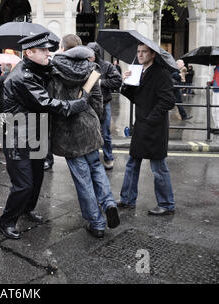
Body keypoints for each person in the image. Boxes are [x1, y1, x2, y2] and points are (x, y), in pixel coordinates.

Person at [0, 32, 93, 239]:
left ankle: (27, 209)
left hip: (36, 132)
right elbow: (46, 103)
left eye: (48, 49)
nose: (48, 53)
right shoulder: (21, 77)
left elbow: (67, 69)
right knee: (23, 184)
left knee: (37, 177)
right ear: (29, 52)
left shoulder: (40, 68)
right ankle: (6, 222)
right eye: (43, 50)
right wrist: (77, 104)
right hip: (18, 136)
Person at [48, 36, 120, 238]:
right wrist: (93, 119)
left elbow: (50, 101)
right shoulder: (91, 69)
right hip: (88, 126)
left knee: (82, 179)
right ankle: (108, 203)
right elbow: (97, 100)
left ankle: (96, 223)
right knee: (96, 168)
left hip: (67, 131)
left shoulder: (54, 70)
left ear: (62, 48)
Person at [119, 43, 176, 216]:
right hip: (141, 125)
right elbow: (136, 97)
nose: (140, 54)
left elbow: (168, 101)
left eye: (144, 52)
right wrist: (126, 83)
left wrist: (151, 119)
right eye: (138, 51)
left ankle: (166, 204)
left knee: (158, 167)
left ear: (152, 54)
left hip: (154, 127)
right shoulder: (139, 71)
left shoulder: (161, 73)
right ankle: (128, 199)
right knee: (132, 163)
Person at [87, 42, 123, 170]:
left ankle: (108, 158)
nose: (88, 57)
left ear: (96, 54)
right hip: (88, 104)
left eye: (91, 54)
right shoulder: (85, 65)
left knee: (105, 134)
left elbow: (118, 81)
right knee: (91, 133)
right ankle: (94, 159)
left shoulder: (106, 66)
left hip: (103, 104)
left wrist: (102, 82)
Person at [208, 61, 219, 134]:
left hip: (218, 90)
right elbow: (216, 79)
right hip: (215, 89)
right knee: (214, 109)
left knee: (217, 109)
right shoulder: (216, 68)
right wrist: (211, 82)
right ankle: (217, 126)